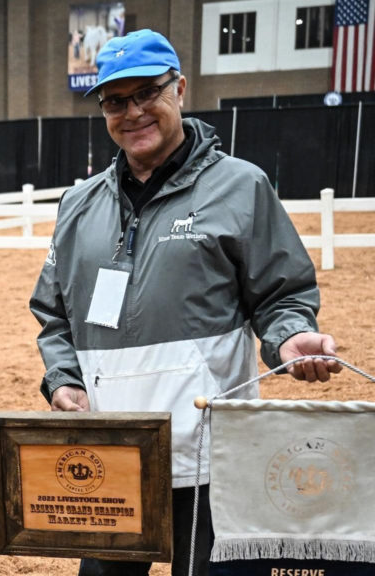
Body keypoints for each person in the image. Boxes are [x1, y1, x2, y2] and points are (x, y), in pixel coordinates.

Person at [29, 29, 340, 576]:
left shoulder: (241, 188)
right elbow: (54, 314)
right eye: (116, 101)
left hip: (208, 458)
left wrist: (290, 337)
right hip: (115, 455)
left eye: (148, 92)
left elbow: (281, 294)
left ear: (179, 90)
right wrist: (63, 380)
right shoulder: (78, 205)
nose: (134, 112)